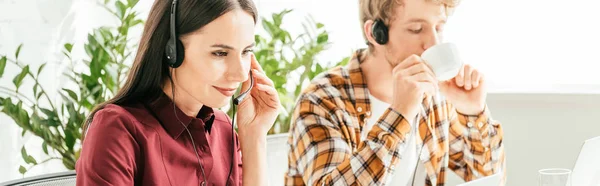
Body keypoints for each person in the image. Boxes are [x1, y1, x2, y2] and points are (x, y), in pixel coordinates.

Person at [284, 0, 506, 185]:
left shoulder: (433, 97)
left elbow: (487, 177)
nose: (433, 43)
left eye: (439, 27)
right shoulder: (322, 99)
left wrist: (473, 113)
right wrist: (400, 113)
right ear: (375, 34)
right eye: (416, 29)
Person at [76, 0, 280, 185]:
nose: (241, 74)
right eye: (220, 53)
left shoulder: (224, 129)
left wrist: (254, 137)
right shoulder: (119, 130)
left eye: (246, 52)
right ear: (172, 51)